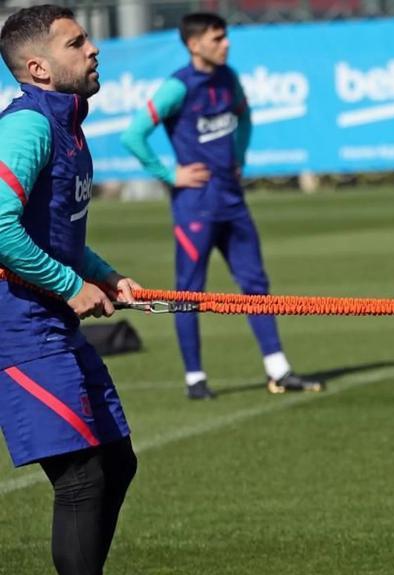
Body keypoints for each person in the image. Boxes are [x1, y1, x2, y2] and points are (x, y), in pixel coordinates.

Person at [0, 6, 164, 575]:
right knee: (82, 478)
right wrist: (70, 286)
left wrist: (104, 276)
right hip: (22, 332)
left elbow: (55, 228)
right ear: (37, 66)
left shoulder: (69, 126)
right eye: (77, 43)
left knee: (116, 462)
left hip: (54, 325)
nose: (94, 50)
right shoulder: (31, 125)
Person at [121, 12, 322, 400]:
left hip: (233, 201)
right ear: (195, 44)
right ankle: (195, 378)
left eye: (225, 37)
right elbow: (133, 135)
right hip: (195, 207)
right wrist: (168, 174)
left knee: (256, 285)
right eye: (217, 38)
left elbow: (244, 119)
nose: (226, 44)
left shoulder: (229, 78)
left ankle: (278, 370)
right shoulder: (177, 87)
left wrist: (239, 157)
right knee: (188, 294)